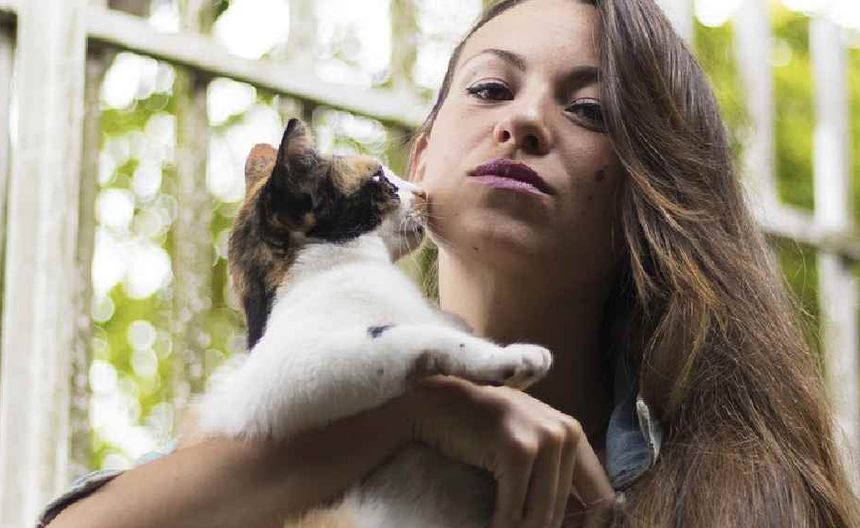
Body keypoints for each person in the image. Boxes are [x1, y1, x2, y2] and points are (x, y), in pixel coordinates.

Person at [41, 0, 860, 526]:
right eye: (491, 90)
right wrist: (406, 413)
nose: (525, 122)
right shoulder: (258, 433)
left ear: (650, 190)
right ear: (420, 162)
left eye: (589, 109)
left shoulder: (753, 489)